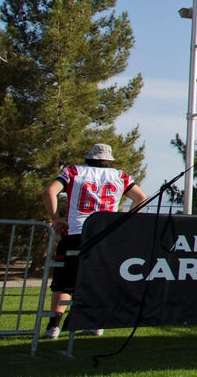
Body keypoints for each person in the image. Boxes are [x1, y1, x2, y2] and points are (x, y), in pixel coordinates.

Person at [41, 143, 148, 339]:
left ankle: (53, 326)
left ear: (89, 157)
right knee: (99, 281)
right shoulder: (120, 175)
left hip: (76, 232)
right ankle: (96, 323)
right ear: (109, 160)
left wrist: (56, 218)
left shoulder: (73, 171)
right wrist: (123, 221)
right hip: (105, 235)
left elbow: (50, 191)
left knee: (64, 283)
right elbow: (141, 197)